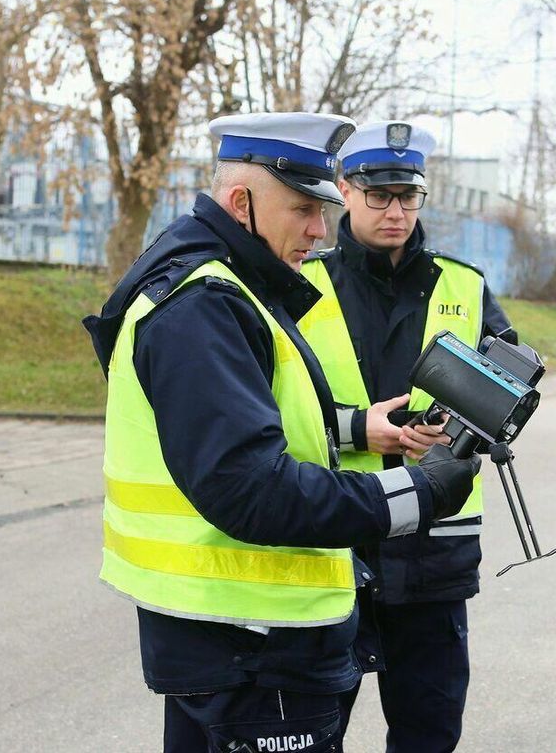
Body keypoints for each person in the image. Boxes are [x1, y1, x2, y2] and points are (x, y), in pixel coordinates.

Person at [82, 112, 480, 753]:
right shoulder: (207, 303)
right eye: (303, 209)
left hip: (232, 635)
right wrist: (417, 493)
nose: (321, 230)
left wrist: (353, 427)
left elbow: (263, 428)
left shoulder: (227, 287)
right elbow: (250, 486)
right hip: (253, 642)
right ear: (242, 203)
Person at [297, 120, 517, 752]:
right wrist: (359, 433)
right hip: (334, 546)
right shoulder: (301, 284)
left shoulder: (465, 285)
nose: (395, 211)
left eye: (409, 195)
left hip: (433, 554)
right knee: (311, 734)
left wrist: (461, 435)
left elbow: (506, 399)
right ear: (344, 188)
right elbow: (271, 411)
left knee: (429, 733)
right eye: (377, 194)